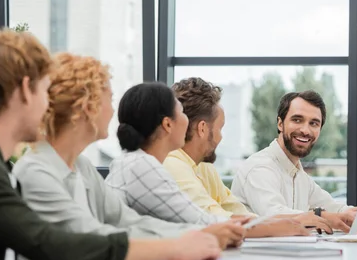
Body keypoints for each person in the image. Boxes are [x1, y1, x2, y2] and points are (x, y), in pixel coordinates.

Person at [0, 29, 220, 260]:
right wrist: (175, 246)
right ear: (27, 89)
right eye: (45, 89)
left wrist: (188, 239)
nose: (49, 103)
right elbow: (46, 242)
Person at [13, 53, 228, 260]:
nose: (113, 111)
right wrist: (179, 244)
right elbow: (89, 234)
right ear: (89, 107)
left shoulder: (82, 167)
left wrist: (198, 235)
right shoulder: (35, 172)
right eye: (110, 99)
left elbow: (126, 221)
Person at [105, 83, 321, 243]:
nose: (187, 122)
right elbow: (203, 221)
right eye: (181, 114)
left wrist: (277, 224)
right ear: (168, 124)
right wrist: (277, 226)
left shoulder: (140, 163)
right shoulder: (146, 166)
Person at [165, 77, 333, 232]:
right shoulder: (172, 164)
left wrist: (289, 222)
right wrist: (296, 223)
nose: (221, 137)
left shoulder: (203, 167)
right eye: (220, 128)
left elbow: (237, 211)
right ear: (202, 129)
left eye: (314, 123)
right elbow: (218, 219)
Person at [231, 90, 357, 234]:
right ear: (280, 124)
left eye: (314, 123)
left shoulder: (298, 174)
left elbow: (333, 207)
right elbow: (275, 215)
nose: (305, 130)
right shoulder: (260, 167)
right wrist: (324, 216)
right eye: (297, 120)